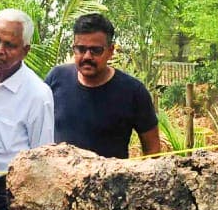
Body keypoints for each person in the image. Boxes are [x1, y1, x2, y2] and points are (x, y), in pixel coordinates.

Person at [45, 13, 160, 158]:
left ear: (110, 51)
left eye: (96, 50)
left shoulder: (134, 92)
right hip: (60, 178)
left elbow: (153, 150)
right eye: (81, 49)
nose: (87, 56)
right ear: (73, 48)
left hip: (112, 179)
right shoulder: (56, 79)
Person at [0, 8, 53, 210]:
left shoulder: (38, 95)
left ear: (25, 50)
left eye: (9, 45)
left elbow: (43, 159)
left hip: (8, 195)